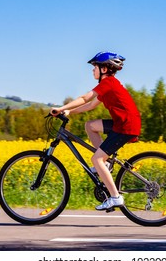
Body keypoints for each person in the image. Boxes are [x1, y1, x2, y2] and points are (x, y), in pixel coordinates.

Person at [50, 51, 141, 211]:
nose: (93, 70)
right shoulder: (109, 85)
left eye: (95, 67)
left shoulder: (108, 83)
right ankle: (104, 164)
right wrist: (70, 112)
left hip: (125, 126)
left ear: (104, 69)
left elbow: (86, 98)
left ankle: (115, 197)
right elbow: (90, 105)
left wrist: (62, 108)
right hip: (122, 123)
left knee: (95, 160)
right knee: (90, 125)